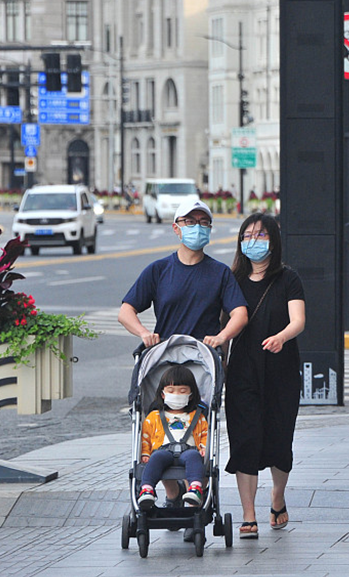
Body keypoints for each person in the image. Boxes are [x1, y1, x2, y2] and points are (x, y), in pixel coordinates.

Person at [120, 197, 247, 509]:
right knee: (157, 428)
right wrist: (143, 333)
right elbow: (126, 311)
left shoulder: (219, 273)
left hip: (202, 363)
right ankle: (173, 494)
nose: (197, 228)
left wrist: (221, 337)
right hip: (163, 361)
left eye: (203, 222)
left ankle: (196, 495)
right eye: (190, 222)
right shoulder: (159, 270)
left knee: (197, 431)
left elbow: (239, 313)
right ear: (176, 229)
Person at [225, 213, 306, 539]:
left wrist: (281, 337)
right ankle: (248, 515)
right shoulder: (231, 279)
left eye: (260, 235)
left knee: (278, 439)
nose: (253, 242)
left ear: (273, 240)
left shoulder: (288, 278)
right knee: (245, 440)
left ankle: (277, 494)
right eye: (248, 235)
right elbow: (224, 326)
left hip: (280, 369)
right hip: (243, 370)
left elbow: (298, 320)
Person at [137, 365, 209, 511]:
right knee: (155, 459)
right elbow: (146, 436)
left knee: (194, 458)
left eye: (182, 391)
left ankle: (195, 488)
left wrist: (204, 448)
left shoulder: (197, 416)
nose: (176, 395)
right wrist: (145, 453)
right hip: (163, 450)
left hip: (189, 450)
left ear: (191, 394)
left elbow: (204, 434)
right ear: (163, 394)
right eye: (171, 391)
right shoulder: (154, 416)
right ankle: (147, 488)